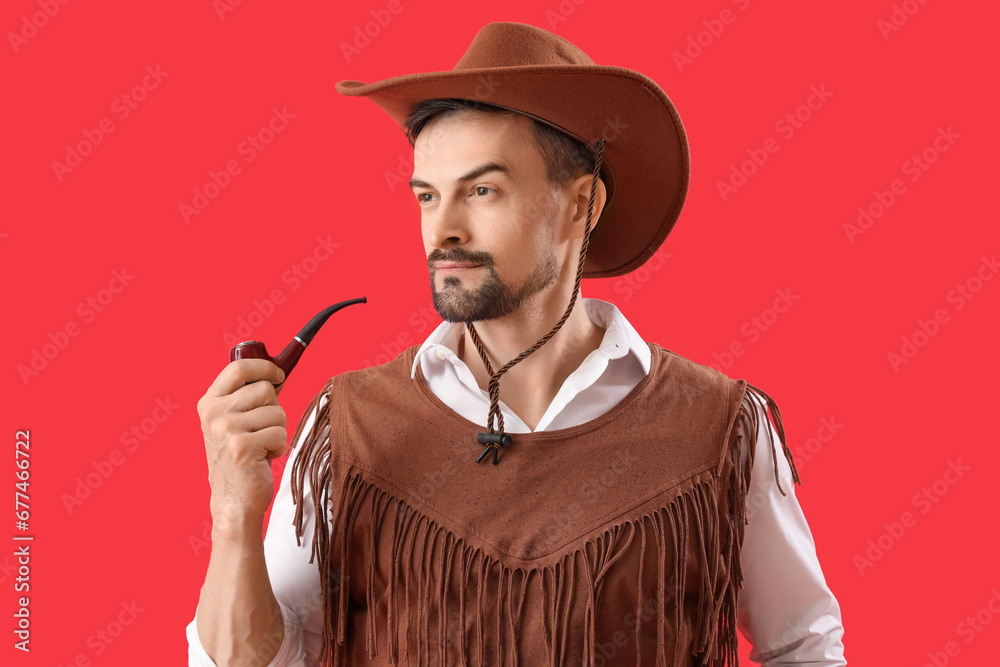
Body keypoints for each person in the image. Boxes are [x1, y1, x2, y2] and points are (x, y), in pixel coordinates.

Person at [186, 21, 845, 666]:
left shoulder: (719, 427)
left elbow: (804, 646)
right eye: (426, 196)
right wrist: (232, 513)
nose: (442, 229)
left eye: (481, 190)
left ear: (582, 205)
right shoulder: (346, 428)